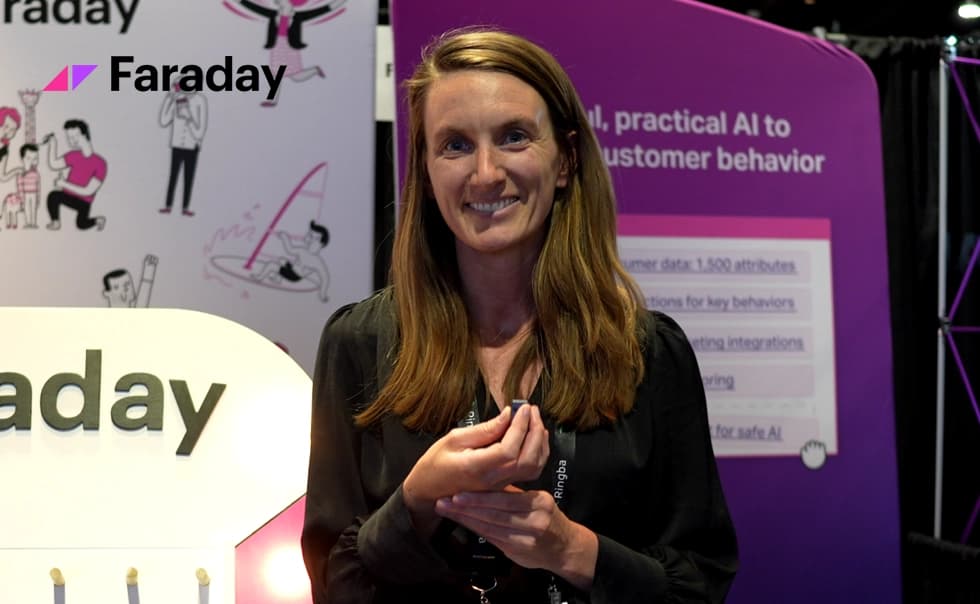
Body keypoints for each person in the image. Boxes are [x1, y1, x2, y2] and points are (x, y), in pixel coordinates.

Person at [300, 28, 738, 604]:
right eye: (454, 145)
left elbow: (699, 586)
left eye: (513, 137)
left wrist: (569, 548)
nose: (485, 173)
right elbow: (335, 585)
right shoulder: (359, 343)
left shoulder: (648, 353)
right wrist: (418, 500)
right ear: (427, 176)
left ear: (565, 161)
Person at [44, 119, 107, 231]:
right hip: (68, 195)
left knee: (81, 224)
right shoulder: (74, 155)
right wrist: (53, 143)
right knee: (53, 196)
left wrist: (64, 184)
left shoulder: (100, 163)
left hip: (83, 201)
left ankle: (98, 220)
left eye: (75, 136)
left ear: (85, 135)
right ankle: (55, 222)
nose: (72, 141)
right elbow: (54, 164)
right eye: (69, 138)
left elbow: (88, 191)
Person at [159, 80, 207, 216]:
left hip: (192, 146)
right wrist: (169, 98)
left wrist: (189, 118)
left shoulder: (200, 101)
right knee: (173, 176)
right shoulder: (177, 99)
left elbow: (200, 132)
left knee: (188, 177)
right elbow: (163, 121)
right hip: (177, 145)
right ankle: (168, 205)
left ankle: (185, 207)